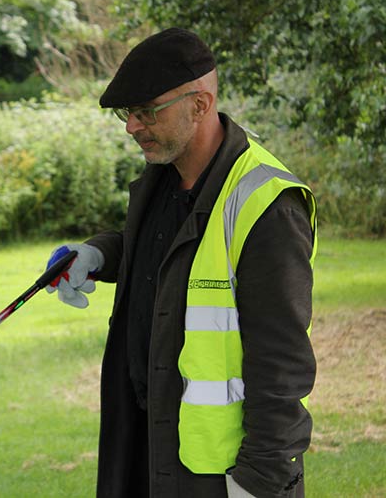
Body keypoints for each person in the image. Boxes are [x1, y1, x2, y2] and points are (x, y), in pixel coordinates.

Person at [46, 28, 317, 498]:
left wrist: (260, 483)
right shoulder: (163, 181)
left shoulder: (267, 205)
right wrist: (98, 255)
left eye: (147, 111)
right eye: (126, 113)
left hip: (222, 476)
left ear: (200, 104)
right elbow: (163, 259)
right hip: (145, 452)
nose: (132, 126)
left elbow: (282, 368)